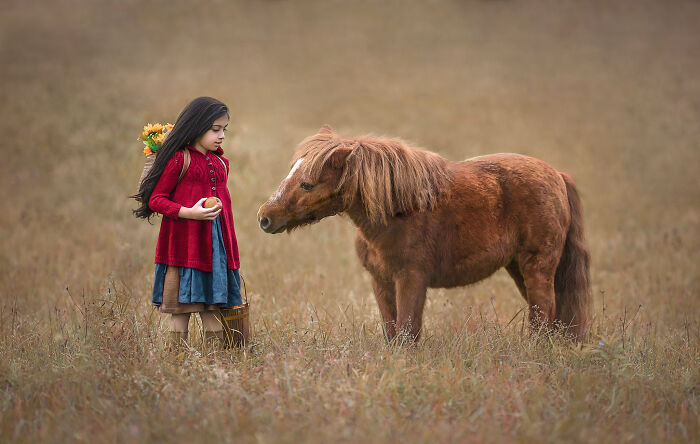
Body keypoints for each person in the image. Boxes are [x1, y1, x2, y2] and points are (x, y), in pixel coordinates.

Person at [132, 96, 242, 350]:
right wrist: (187, 212)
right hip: (184, 252)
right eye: (215, 129)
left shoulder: (221, 163)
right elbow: (157, 200)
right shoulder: (180, 160)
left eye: (224, 129)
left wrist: (230, 253)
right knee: (180, 315)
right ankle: (176, 365)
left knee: (212, 313)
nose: (221, 135)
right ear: (195, 127)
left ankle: (215, 366)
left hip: (215, 252)